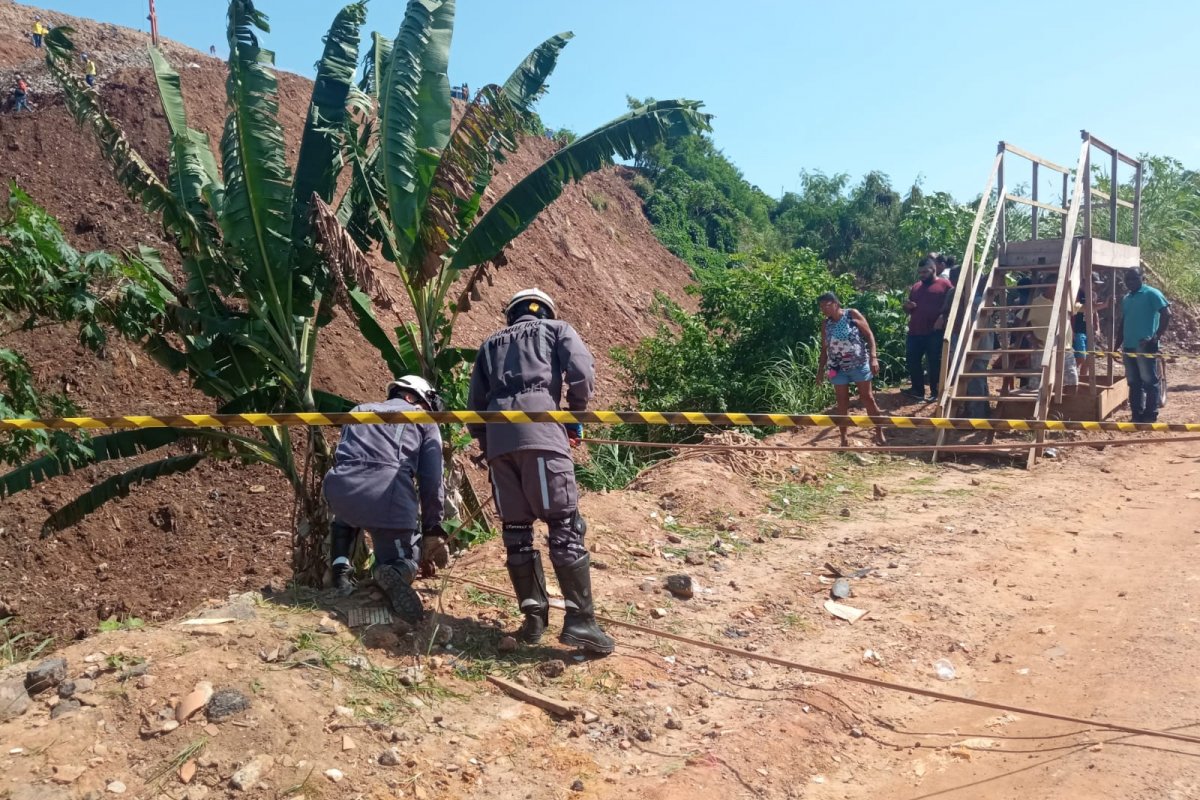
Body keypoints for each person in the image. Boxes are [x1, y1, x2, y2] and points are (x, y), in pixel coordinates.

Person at [467, 288, 614, 655]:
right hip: (543, 436)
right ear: (544, 311)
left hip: (500, 444)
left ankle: (533, 621)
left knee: (516, 530)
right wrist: (574, 417)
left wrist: (490, 445)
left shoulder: (488, 345)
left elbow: (475, 405)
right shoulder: (556, 329)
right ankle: (581, 623)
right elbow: (581, 371)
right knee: (564, 525)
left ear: (511, 314)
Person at [322, 376, 449, 623]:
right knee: (403, 559)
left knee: (346, 517)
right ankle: (393, 569)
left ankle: (339, 571)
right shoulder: (423, 418)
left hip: (340, 489)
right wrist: (433, 528)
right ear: (414, 397)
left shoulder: (358, 410)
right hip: (386, 495)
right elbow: (431, 480)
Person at [816, 292, 885, 446]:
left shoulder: (851, 314)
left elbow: (869, 335)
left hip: (858, 364)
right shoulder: (825, 324)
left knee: (867, 398)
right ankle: (843, 438)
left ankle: (879, 431)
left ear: (836, 303)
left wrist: (873, 357)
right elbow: (824, 349)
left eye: (826, 305)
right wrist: (820, 371)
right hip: (837, 367)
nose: (824, 310)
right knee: (841, 401)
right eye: (821, 307)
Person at [1119, 268, 1170, 423]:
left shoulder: (1152, 293)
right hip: (1128, 346)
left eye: (1134, 279)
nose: (1131, 282)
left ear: (1142, 277)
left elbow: (1167, 313)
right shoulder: (1127, 298)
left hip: (1145, 346)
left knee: (1149, 381)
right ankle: (1136, 414)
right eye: (1128, 280)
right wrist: (1116, 344)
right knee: (1134, 382)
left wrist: (1155, 338)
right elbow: (1123, 322)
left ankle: (1150, 415)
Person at [902, 256, 953, 401]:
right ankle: (917, 390)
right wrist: (908, 306)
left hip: (934, 332)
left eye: (925, 272)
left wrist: (943, 317)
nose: (922, 275)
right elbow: (908, 308)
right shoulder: (916, 287)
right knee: (912, 359)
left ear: (933, 269)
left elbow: (952, 306)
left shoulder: (945, 285)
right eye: (920, 272)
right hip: (915, 331)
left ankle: (936, 392)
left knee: (934, 362)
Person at [1024, 277, 1077, 391]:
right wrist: (1031, 338)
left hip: (1065, 349)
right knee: (1037, 384)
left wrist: (1105, 304)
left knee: (1071, 381)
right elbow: (1020, 321)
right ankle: (1032, 408)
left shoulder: (1065, 301)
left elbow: (1082, 308)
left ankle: (1068, 407)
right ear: (1051, 287)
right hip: (1042, 350)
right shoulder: (1036, 303)